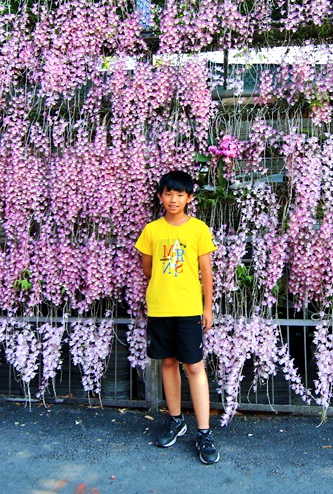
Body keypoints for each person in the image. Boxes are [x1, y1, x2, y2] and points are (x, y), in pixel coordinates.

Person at [135, 169, 220, 465]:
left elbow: (206, 272)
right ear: (160, 196)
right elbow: (147, 269)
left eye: (179, 194)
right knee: (168, 362)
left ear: (189, 198)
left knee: (194, 367)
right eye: (168, 194)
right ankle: (175, 420)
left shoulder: (198, 229)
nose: (173, 199)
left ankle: (204, 432)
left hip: (187, 310)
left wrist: (207, 307)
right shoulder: (152, 230)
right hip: (160, 308)